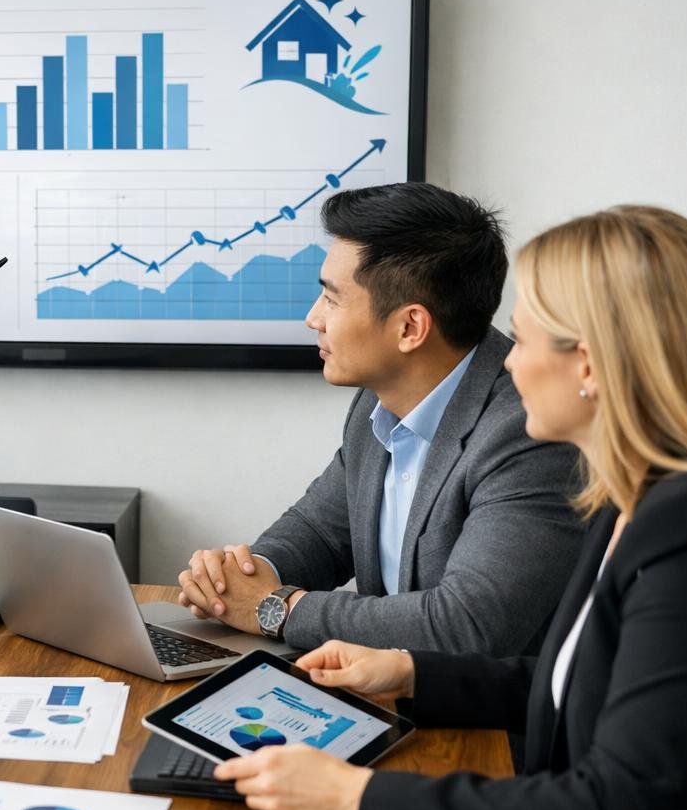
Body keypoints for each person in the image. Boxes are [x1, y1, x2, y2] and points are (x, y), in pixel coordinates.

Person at [212, 206, 687, 810]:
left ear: (590, 363)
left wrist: (351, 800)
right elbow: (579, 684)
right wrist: (408, 671)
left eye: (521, 339)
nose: (508, 363)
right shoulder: (631, 503)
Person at [178, 182, 583, 654]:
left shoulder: (529, 429)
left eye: (332, 299)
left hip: (478, 722)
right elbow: (321, 533)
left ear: (410, 327)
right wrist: (244, 577)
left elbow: (468, 624)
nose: (314, 318)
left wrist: (276, 609)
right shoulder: (379, 399)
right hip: (383, 696)